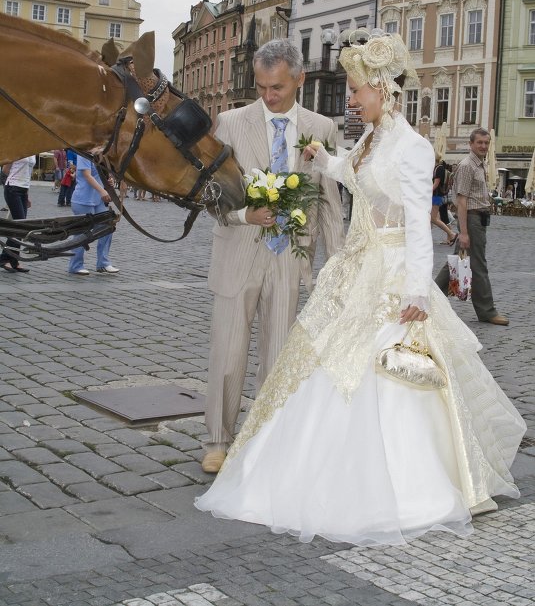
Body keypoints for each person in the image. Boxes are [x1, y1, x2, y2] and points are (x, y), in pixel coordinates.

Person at [195, 31, 525, 545]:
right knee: (321, 363)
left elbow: (419, 224)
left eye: (356, 91)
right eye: (349, 91)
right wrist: (319, 159)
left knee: (377, 374)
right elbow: (348, 173)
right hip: (355, 268)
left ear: (382, 90)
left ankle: (393, 485)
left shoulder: (413, 149)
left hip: (390, 275)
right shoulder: (372, 139)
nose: (350, 99)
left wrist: (417, 291)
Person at [202, 39, 344, 474]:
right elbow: (207, 191)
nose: (268, 95)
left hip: (290, 257)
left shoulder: (321, 129)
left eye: (277, 87)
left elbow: (329, 202)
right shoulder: (228, 123)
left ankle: (265, 438)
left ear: (299, 79)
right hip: (238, 251)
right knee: (227, 354)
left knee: (277, 355)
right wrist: (245, 212)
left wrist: (338, 265)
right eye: (262, 87)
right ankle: (217, 441)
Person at [435, 129, 509, 326]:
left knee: (454, 264)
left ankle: (429, 300)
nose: (483, 146)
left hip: (479, 220)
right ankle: (487, 311)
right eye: (480, 143)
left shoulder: (480, 164)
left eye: (486, 143)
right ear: (471, 144)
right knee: (479, 266)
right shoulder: (468, 166)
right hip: (472, 220)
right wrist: (464, 232)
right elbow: (461, 201)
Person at [67, 155, 119, 276]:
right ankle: (75, 265)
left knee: (107, 228)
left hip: (97, 200)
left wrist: (108, 181)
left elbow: (102, 175)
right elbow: (87, 175)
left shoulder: (101, 156)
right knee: (81, 233)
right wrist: (102, 191)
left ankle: (103, 263)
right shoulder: (83, 154)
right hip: (83, 199)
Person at [0, 155, 35, 273]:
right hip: (13, 189)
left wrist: (27, 195)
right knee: (20, 226)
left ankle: (13, 260)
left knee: (21, 228)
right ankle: (5, 258)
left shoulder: (34, 151)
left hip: (24, 190)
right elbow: (5, 170)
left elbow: (28, 174)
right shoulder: (17, 149)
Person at [431, 156, 457, 245]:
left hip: (436, 196)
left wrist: (425, 192)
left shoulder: (439, 169)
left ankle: (451, 234)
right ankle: (450, 235)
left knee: (433, 218)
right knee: (434, 218)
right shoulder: (439, 168)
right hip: (437, 195)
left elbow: (436, 184)